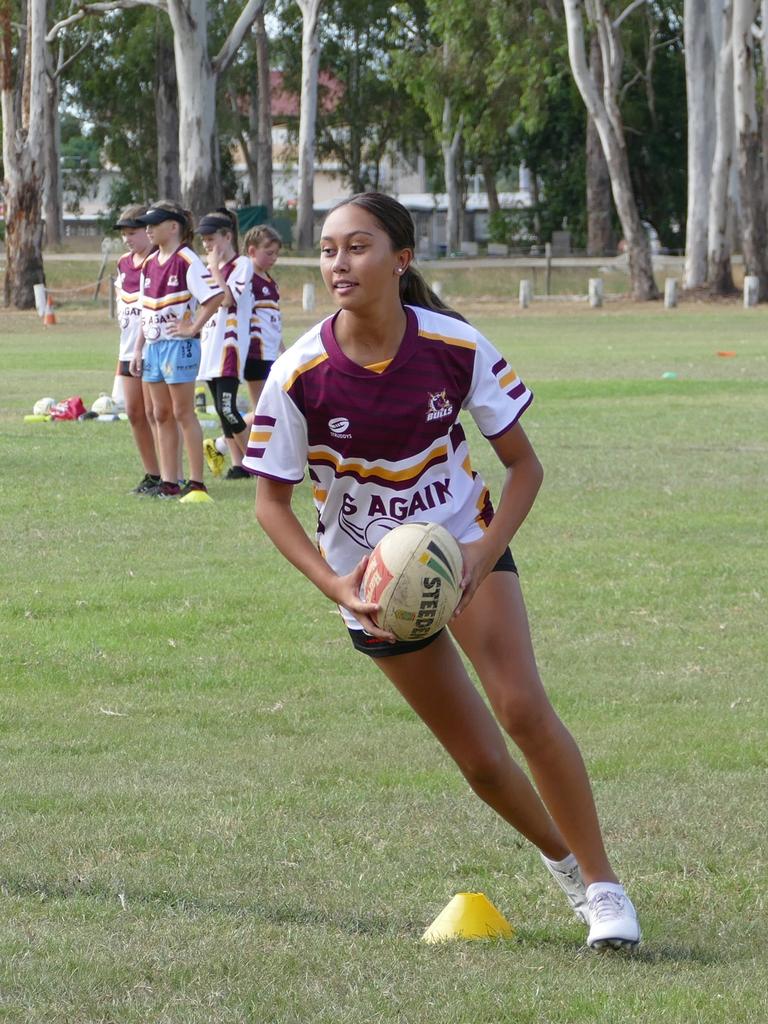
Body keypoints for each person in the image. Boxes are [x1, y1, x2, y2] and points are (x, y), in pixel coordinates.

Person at [244, 192, 641, 951]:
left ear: (402, 257)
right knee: (483, 762)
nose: (338, 263)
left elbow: (524, 467)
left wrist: (484, 555)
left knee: (522, 708)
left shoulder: (456, 345)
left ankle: (605, 886)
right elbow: (270, 503)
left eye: (357, 247)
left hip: (464, 544)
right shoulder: (299, 374)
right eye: (328, 249)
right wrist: (336, 587)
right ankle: (563, 868)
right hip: (369, 583)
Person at [129, 200, 223, 502]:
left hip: (178, 346)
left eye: (154, 224)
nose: (148, 229)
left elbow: (215, 296)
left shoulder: (186, 259)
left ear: (173, 227)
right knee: (160, 413)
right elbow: (146, 310)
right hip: (154, 347)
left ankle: (196, 482)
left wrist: (192, 328)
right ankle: (169, 481)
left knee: (183, 412)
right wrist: (138, 349)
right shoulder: (149, 262)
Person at [205, 224, 283, 480]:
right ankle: (236, 455)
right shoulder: (248, 275)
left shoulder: (270, 281)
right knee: (262, 410)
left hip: (271, 354)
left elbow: (274, 321)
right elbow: (237, 311)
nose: (274, 258)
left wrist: (283, 352)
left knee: (262, 409)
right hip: (253, 354)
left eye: (276, 253)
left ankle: (230, 456)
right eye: (269, 253)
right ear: (252, 250)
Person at [196, 209, 254, 480]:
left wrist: (215, 269)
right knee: (221, 411)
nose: (207, 245)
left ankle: (259, 462)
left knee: (229, 408)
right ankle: (238, 463)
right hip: (209, 348)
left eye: (212, 239)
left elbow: (228, 299)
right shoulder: (207, 267)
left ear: (227, 236)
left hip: (229, 350)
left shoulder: (242, 264)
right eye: (204, 241)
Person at [113, 205, 161, 494]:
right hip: (127, 348)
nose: (127, 238)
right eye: (124, 234)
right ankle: (151, 473)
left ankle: (170, 475)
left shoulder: (158, 261)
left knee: (155, 412)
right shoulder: (122, 263)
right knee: (134, 412)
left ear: (148, 231)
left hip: (153, 348)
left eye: (133, 232)